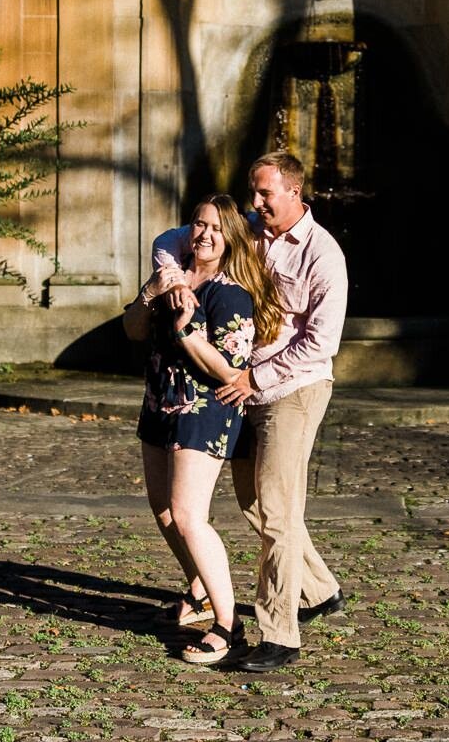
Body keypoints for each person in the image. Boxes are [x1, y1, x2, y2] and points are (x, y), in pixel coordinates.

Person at [151, 151, 348, 673]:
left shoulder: (323, 254)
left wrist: (253, 378)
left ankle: (278, 634)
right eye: (253, 193)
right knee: (254, 505)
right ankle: (321, 590)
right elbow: (168, 240)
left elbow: (322, 342)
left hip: (291, 388)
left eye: (264, 194)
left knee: (279, 510)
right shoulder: (249, 232)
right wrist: (171, 278)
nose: (255, 202)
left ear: (294, 193)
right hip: (239, 388)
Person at [124, 194, 283, 666]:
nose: (205, 234)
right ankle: (199, 590)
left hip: (204, 409)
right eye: (198, 224)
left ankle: (228, 624)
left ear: (230, 237)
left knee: (188, 514)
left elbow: (231, 370)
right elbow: (132, 329)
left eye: (216, 228)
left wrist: (188, 330)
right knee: (164, 512)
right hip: (160, 402)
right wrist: (152, 291)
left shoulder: (230, 293)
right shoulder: (172, 275)